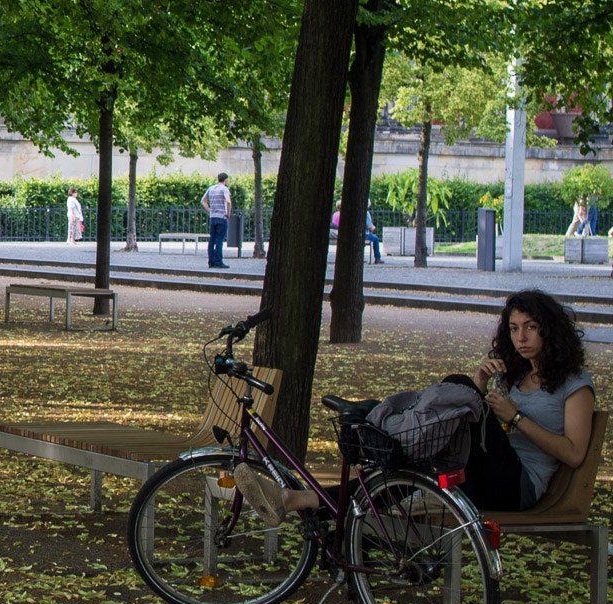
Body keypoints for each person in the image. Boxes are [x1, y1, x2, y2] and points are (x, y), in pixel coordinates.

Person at [240, 289, 595, 518]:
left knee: (457, 389)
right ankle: (292, 500)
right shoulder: (515, 376)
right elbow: (492, 432)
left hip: (517, 488)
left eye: (531, 327)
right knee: (405, 471)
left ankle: (384, 426)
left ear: (550, 329)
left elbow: (574, 453)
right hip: (483, 472)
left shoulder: (575, 385)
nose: (521, 337)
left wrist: (513, 416)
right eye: (515, 328)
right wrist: (482, 383)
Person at [200, 173, 232, 269]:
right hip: (222, 217)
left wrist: (210, 211)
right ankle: (218, 261)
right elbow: (228, 201)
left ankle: (211, 262)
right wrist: (228, 213)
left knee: (212, 240)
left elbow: (203, 201)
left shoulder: (211, 189)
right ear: (225, 180)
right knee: (219, 240)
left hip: (213, 217)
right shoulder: (224, 189)